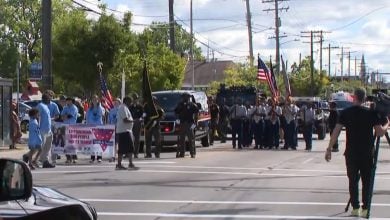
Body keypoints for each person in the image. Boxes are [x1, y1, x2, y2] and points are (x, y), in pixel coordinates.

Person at [325, 88, 389, 218]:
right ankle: (365, 208)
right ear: (365, 98)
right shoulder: (371, 113)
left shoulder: (345, 113)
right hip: (366, 152)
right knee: (367, 181)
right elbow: (380, 132)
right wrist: (387, 123)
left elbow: (336, 131)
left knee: (352, 181)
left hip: (351, 152)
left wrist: (329, 148)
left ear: (354, 97)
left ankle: (355, 207)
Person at [115, 96, 137, 170]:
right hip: (123, 131)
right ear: (126, 101)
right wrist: (135, 121)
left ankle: (130, 163)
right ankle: (119, 164)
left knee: (130, 148)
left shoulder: (125, 108)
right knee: (122, 149)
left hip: (127, 130)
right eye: (130, 101)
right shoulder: (122, 108)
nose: (131, 103)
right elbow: (125, 120)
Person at [174, 93, 199, 158]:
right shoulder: (180, 104)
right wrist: (177, 119)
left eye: (186, 97)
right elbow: (176, 112)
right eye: (183, 97)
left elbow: (196, 113)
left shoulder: (192, 105)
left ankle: (192, 153)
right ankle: (182, 153)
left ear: (188, 97)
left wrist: (195, 123)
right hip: (182, 123)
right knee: (181, 140)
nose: (184, 98)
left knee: (191, 139)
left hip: (189, 124)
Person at [37, 94, 55, 168]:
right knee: (41, 146)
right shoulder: (40, 106)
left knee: (48, 146)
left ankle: (45, 161)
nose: (50, 100)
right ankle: (30, 158)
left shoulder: (46, 106)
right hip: (42, 129)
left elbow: (47, 118)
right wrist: (37, 128)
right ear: (45, 99)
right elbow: (37, 117)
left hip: (48, 130)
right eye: (49, 98)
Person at [86, 95, 105, 163]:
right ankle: (92, 157)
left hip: (99, 127)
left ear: (98, 100)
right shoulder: (89, 109)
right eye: (93, 99)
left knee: (99, 143)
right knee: (92, 143)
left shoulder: (101, 108)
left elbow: (101, 114)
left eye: (96, 99)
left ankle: (99, 157)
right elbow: (87, 118)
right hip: (91, 127)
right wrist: (87, 126)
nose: (94, 100)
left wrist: (98, 105)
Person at [61, 97, 79, 164]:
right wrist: (64, 116)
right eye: (67, 101)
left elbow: (70, 116)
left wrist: (65, 116)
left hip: (72, 127)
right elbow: (62, 116)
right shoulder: (65, 108)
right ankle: (68, 157)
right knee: (65, 143)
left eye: (69, 101)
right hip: (65, 126)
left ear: (72, 101)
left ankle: (74, 157)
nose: (67, 102)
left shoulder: (74, 108)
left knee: (72, 143)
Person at [129, 93, 144, 158]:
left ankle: (136, 153)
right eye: (134, 99)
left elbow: (143, 115)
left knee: (137, 139)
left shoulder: (140, 107)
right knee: (130, 138)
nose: (135, 100)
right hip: (131, 122)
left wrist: (141, 119)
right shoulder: (130, 107)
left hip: (138, 123)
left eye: (136, 99)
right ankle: (129, 153)